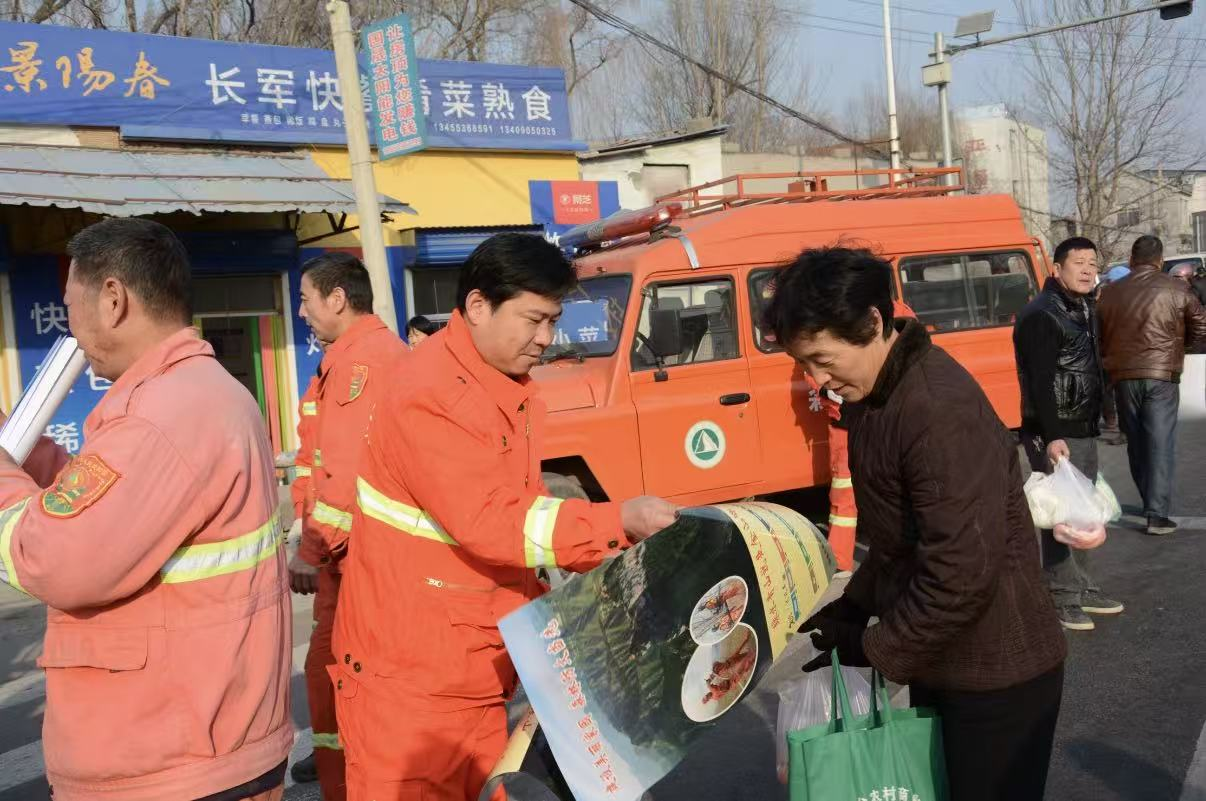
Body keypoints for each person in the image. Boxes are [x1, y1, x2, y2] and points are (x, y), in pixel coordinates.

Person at [328, 233, 678, 800]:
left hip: (465, 665)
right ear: (477, 306)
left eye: (554, 321)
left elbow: (524, 513)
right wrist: (616, 523)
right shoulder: (432, 393)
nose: (546, 338)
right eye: (533, 320)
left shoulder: (493, 385)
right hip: (412, 682)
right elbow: (494, 521)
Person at [0, 219, 292, 800]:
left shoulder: (163, 415)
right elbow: (109, 507)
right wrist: (25, 453)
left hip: (171, 759)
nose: (70, 327)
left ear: (113, 299)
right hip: (201, 739)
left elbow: (53, 558)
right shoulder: (192, 393)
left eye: (71, 306)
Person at [768, 247, 1066, 801]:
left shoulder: (935, 409)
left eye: (823, 359)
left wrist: (875, 647)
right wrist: (854, 606)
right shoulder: (876, 397)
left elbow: (961, 573)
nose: (817, 379)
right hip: (946, 659)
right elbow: (898, 540)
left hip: (997, 675)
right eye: (803, 363)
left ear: (873, 323)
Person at [290, 252, 409, 801]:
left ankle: (347, 780)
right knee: (331, 674)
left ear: (337, 299)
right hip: (347, 557)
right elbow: (314, 461)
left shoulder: (366, 364)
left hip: (358, 559)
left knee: (339, 673)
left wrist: (311, 549)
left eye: (306, 299)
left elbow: (346, 475)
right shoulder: (346, 359)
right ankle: (335, 767)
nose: (301, 312)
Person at [1012, 236, 1122, 630]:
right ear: (1057, 269)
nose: (1088, 270)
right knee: (1062, 514)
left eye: (1092, 263)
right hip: (1055, 431)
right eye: (1079, 263)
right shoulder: (1043, 314)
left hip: (1081, 425)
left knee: (1083, 512)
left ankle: (1083, 587)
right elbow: (1040, 382)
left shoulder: (1082, 307)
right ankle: (1062, 596)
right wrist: (1052, 434)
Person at [1098, 235, 1206, 535]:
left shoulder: (1109, 293)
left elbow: (1098, 334)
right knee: (1159, 442)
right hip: (1161, 375)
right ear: (1160, 261)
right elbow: (1201, 325)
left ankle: (1150, 500)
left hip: (1122, 375)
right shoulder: (1177, 288)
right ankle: (1157, 514)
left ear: (1131, 260)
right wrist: (1182, 349)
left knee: (1136, 442)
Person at [288, 364, 322, 786]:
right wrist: (302, 522)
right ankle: (331, 749)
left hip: (354, 551)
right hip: (326, 546)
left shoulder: (373, 368)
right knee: (324, 660)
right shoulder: (318, 385)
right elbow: (307, 464)